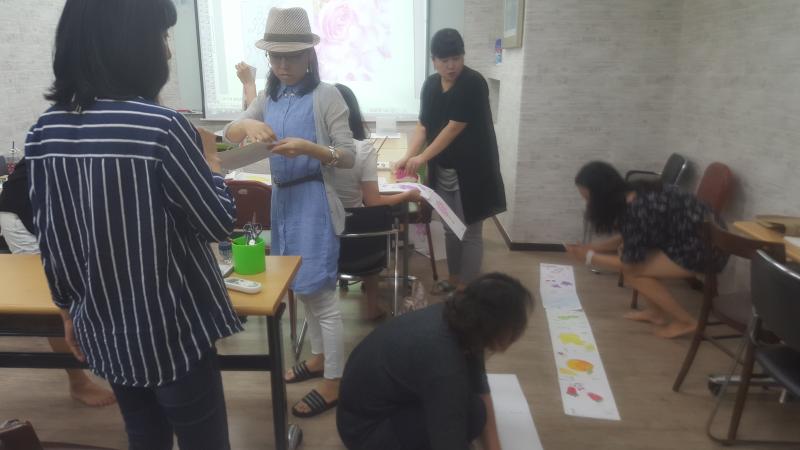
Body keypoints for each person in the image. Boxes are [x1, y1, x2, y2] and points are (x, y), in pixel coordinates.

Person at [26, 1, 242, 448]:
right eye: (162, 36)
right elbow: (219, 223)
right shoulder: (162, 127)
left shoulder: (44, 132)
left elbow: (52, 238)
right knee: (205, 439)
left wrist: (67, 310)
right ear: (130, 44)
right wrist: (213, 164)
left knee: (143, 435)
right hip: (174, 332)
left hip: (105, 327)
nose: (167, 51)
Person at [223, 7, 355, 418]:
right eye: (275, 57)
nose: (282, 66)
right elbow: (229, 132)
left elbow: (348, 155)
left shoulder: (327, 95)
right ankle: (318, 359)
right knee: (301, 287)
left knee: (322, 294)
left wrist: (311, 148)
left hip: (313, 201)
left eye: (292, 57)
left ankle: (334, 381)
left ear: (309, 56)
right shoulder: (269, 97)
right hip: (281, 202)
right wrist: (249, 127)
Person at [337, 273, 534, 450]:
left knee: (475, 412)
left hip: (368, 410)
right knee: (467, 414)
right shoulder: (444, 364)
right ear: (495, 329)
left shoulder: (461, 319)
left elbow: (481, 390)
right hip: (366, 432)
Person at [395, 28, 506, 294]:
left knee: (470, 230)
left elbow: (454, 128)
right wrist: (408, 155)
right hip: (443, 168)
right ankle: (454, 279)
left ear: (463, 56)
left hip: (473, 170)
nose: (451, 65)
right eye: (444, 60)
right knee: (449, 227)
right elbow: (423, 125)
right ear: (434, 60)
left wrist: (422, 157)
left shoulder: (473, 83)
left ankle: (466, 288)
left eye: (456, 58)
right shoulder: (431, 85)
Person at [0, 157, 116, 407]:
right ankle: (78, 382)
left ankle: (98, 361)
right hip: (27, 210)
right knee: (52, 296)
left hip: (51, 205)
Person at [565, 161, 727, 338]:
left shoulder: (637, 209)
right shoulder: (635, 191)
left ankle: (687, 322)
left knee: (633, 273)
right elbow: (630, 235)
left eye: (589, 199)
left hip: (706, 250)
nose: (588, 205)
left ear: (603, 196)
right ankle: (656, 314)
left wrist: (589, 257)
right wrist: (594, 248)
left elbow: (630, 264)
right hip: (698, 239)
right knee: (633, 258)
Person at [331, 83, 422, 319]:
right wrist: (407, 195)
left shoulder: (313, 149)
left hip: (326, 237)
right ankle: (371, 307)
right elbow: (373, 201)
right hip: (361, 242)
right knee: (371, 222)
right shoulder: (363, 150)